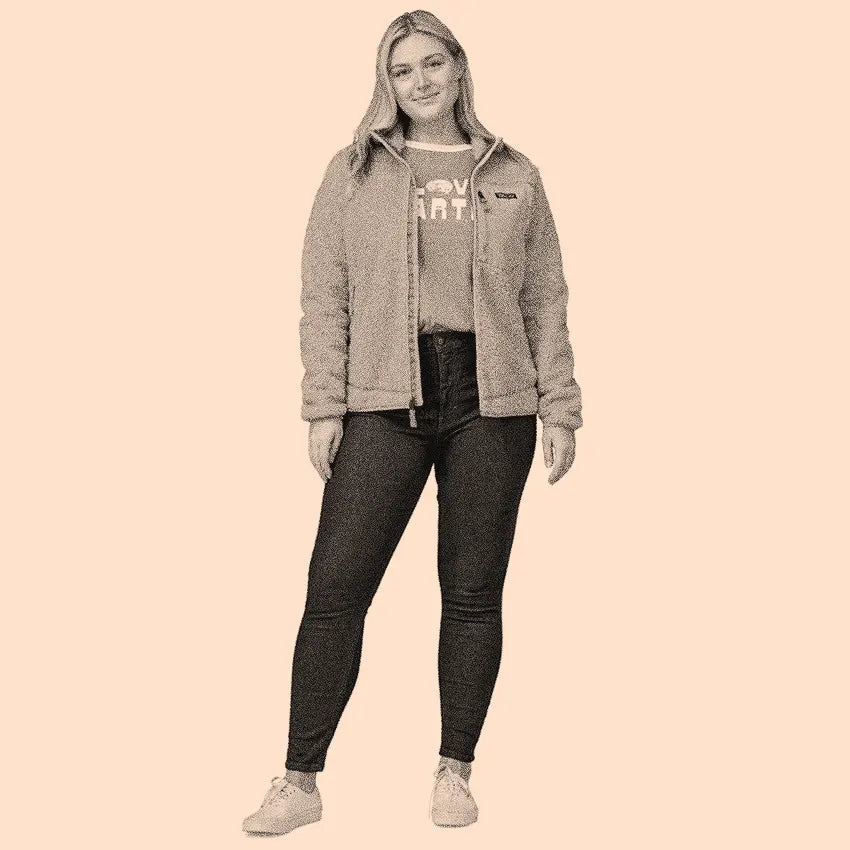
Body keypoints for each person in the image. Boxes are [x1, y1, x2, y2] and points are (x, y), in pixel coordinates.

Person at [243, 9, 582, 835]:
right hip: (383, 398)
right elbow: (324, 293)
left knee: (472, 594)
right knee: (335, 591)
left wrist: (560, 406)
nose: (420, 81)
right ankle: (299, 781)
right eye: (403, 70)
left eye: (433, 64)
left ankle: (454, 772)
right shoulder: (354, 170)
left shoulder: (516, 173)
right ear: (385, 83)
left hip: (493, 401)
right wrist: (324, 405)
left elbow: (545, 296)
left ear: (459, 68)